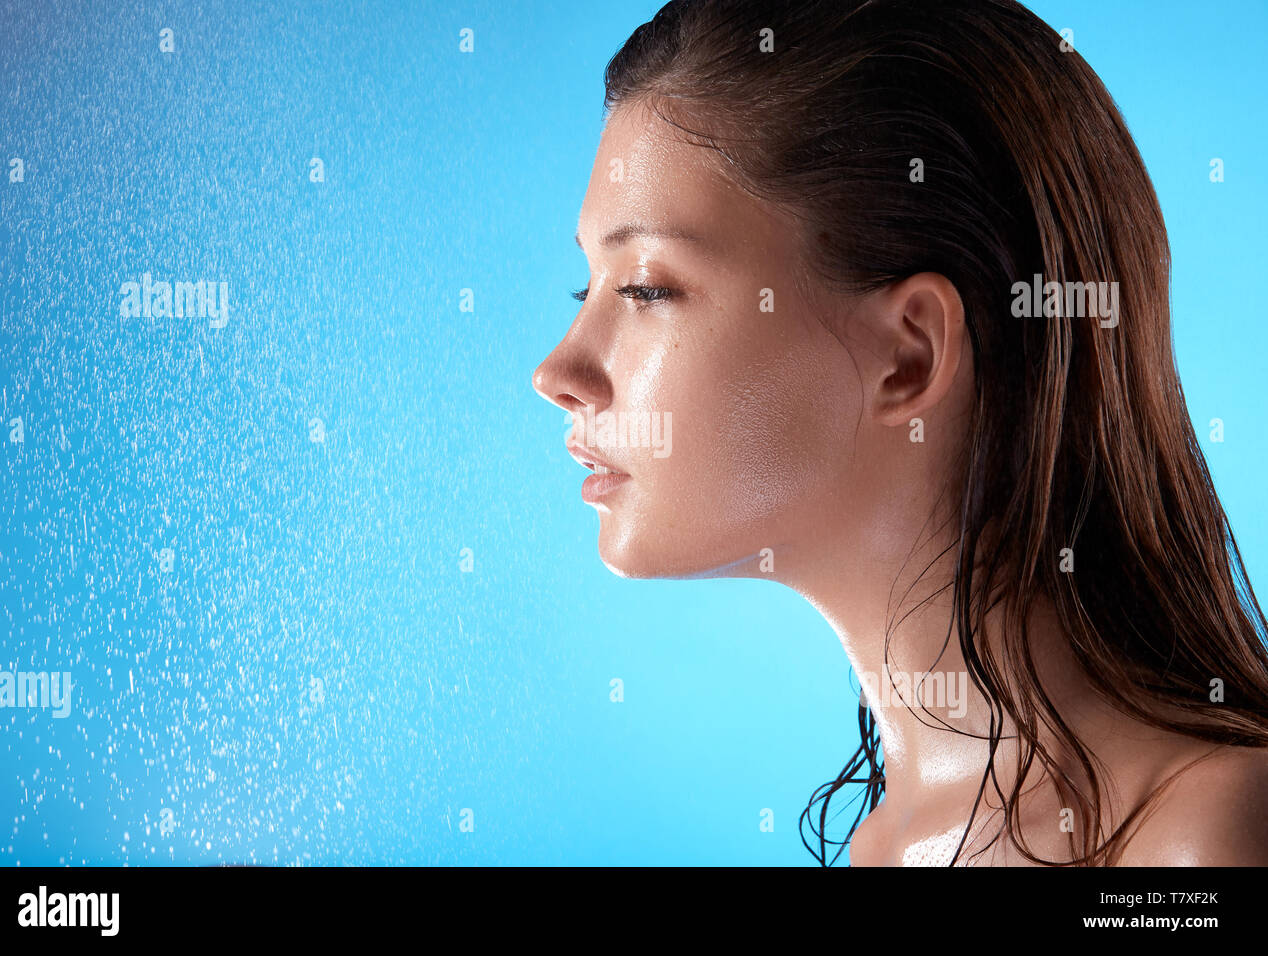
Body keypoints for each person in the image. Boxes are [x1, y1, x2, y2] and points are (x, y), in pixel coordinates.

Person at [531, 0, 1268, 865]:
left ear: (908, 356)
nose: (557, 374)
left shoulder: (1205, 842)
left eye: (647, 288)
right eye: (587, 288)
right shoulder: (883, 847)